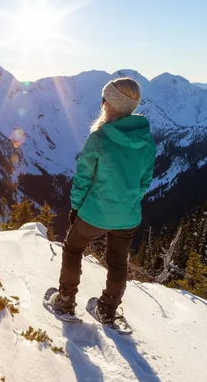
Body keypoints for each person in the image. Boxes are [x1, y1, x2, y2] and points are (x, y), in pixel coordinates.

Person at [52, 77, 157, 330]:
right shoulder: (147, 140)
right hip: (128, 216)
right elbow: (145, 181)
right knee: (118, 262)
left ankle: (66, 301)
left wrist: (76, 208)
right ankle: (107, 310)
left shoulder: (99, 138)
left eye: (104, 99)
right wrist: (128, 201)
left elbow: (83, 179)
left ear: (110, 104)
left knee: (73, 248)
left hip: (95, 214)